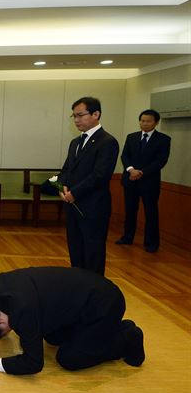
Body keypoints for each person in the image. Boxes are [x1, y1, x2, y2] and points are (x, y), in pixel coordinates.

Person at [0, 267, 145, 375]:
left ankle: (126, 337)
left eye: (3, 330)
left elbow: (33, 363)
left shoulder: (24, 311)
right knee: (52, 337)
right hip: (88, 292)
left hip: (105, 305)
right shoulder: (1, 284)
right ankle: (110, 330)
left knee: (69, 359)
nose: (10, 331)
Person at [57, 97, 119, 275]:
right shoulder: (76, 142)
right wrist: (63, 188)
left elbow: (100, 175)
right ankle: (78, 286)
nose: (76, 120)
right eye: (74, 116)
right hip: (72, 206)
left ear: (96, 114)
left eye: (80, 115)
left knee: (93, 252)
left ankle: (95, 292)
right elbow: (67, 169)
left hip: (93, 207)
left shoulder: (107, 142)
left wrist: (75, 192)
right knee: (75, 249)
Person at [116, 109, 170, 253]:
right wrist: (131, 169)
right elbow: (124, 156)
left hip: (149, 182)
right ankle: (127, 237)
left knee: (151, 212)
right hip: (130, 179)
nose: (144, 124)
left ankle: (151, 243)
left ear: (156, 122)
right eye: (142, 121)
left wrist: (141, 172)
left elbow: (161, 161)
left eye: (148, 121)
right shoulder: (131, 137)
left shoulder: (164, 139)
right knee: (130, 210)